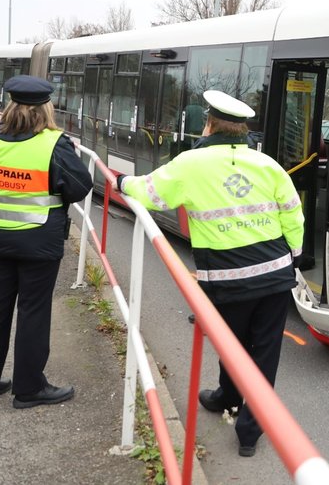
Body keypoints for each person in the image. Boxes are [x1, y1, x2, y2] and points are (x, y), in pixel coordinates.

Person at [117, 90, 304, 457]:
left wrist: (123, 183)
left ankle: (227, 395)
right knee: (264, 352)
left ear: (209, 123)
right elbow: (293, 216)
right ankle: (249, 432)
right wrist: (293, 258)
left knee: (229, 343)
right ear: (243, 130)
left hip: (227, 280)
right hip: (276, 276)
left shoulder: (191, 164)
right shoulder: (268, 165)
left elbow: (149, 192)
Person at [0, 75, 93, 409]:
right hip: (40, 241)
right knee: (33, 311)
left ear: (10, 106)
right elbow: (80, 185)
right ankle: (28, 389)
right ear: (46, 109)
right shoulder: (53, 144)